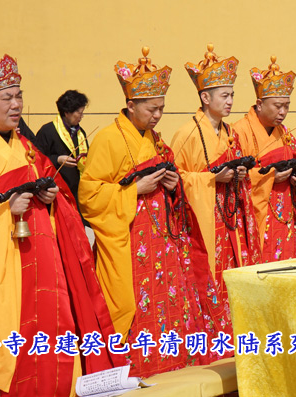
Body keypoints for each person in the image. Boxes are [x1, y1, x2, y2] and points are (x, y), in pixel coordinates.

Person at [0, 22, 119, 395]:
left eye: (18, 95)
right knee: (11, 340)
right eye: (6, 98)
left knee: (53, 331)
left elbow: (56, 185)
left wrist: (52, 198)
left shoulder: (26, 145)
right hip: (2, 262)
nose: (16, 104)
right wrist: (0, 205)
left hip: (43, 255)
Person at [80, 47, 215, 375]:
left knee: (168, 301)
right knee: (137, 304)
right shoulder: (108, 140)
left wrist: (172, 185)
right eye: (152, 109)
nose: (157, 116)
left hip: (162, 240)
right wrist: (132, 190)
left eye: (161, 109)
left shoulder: (155, 139)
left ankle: (171, 366)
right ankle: (136, 371)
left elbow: (175, 178)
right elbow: (88, 195)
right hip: (128, 239)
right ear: (131, 105)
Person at [171, 44, 262, 341]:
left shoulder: (230, 133)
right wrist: (211, 179)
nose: (230, 101)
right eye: (225, 95)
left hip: (227, 219)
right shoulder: (187, 133)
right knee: (206, 275)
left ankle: (231, 331)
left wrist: (236, 174)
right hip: (203, 221)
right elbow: (176, 179)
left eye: (232, 94)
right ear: (205, 97)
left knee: (229, 276)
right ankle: (208, 333)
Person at [233, 56, 296, 262]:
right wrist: (270, 177)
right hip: (258, 217)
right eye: (278, 106)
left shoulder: (284, 133)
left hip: (284, 215)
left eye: (286, 106)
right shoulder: (239, 131)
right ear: (259, 104)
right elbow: (235, 177)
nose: (283, 112)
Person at [35, 90, 89, 208]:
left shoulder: (80, 133)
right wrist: (57, 159)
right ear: (67, 112)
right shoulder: (47, 131)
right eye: (79, 113)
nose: (81, 116)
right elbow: (36, 159)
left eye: (82, 113)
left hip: (76, 190)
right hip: (55, 193)